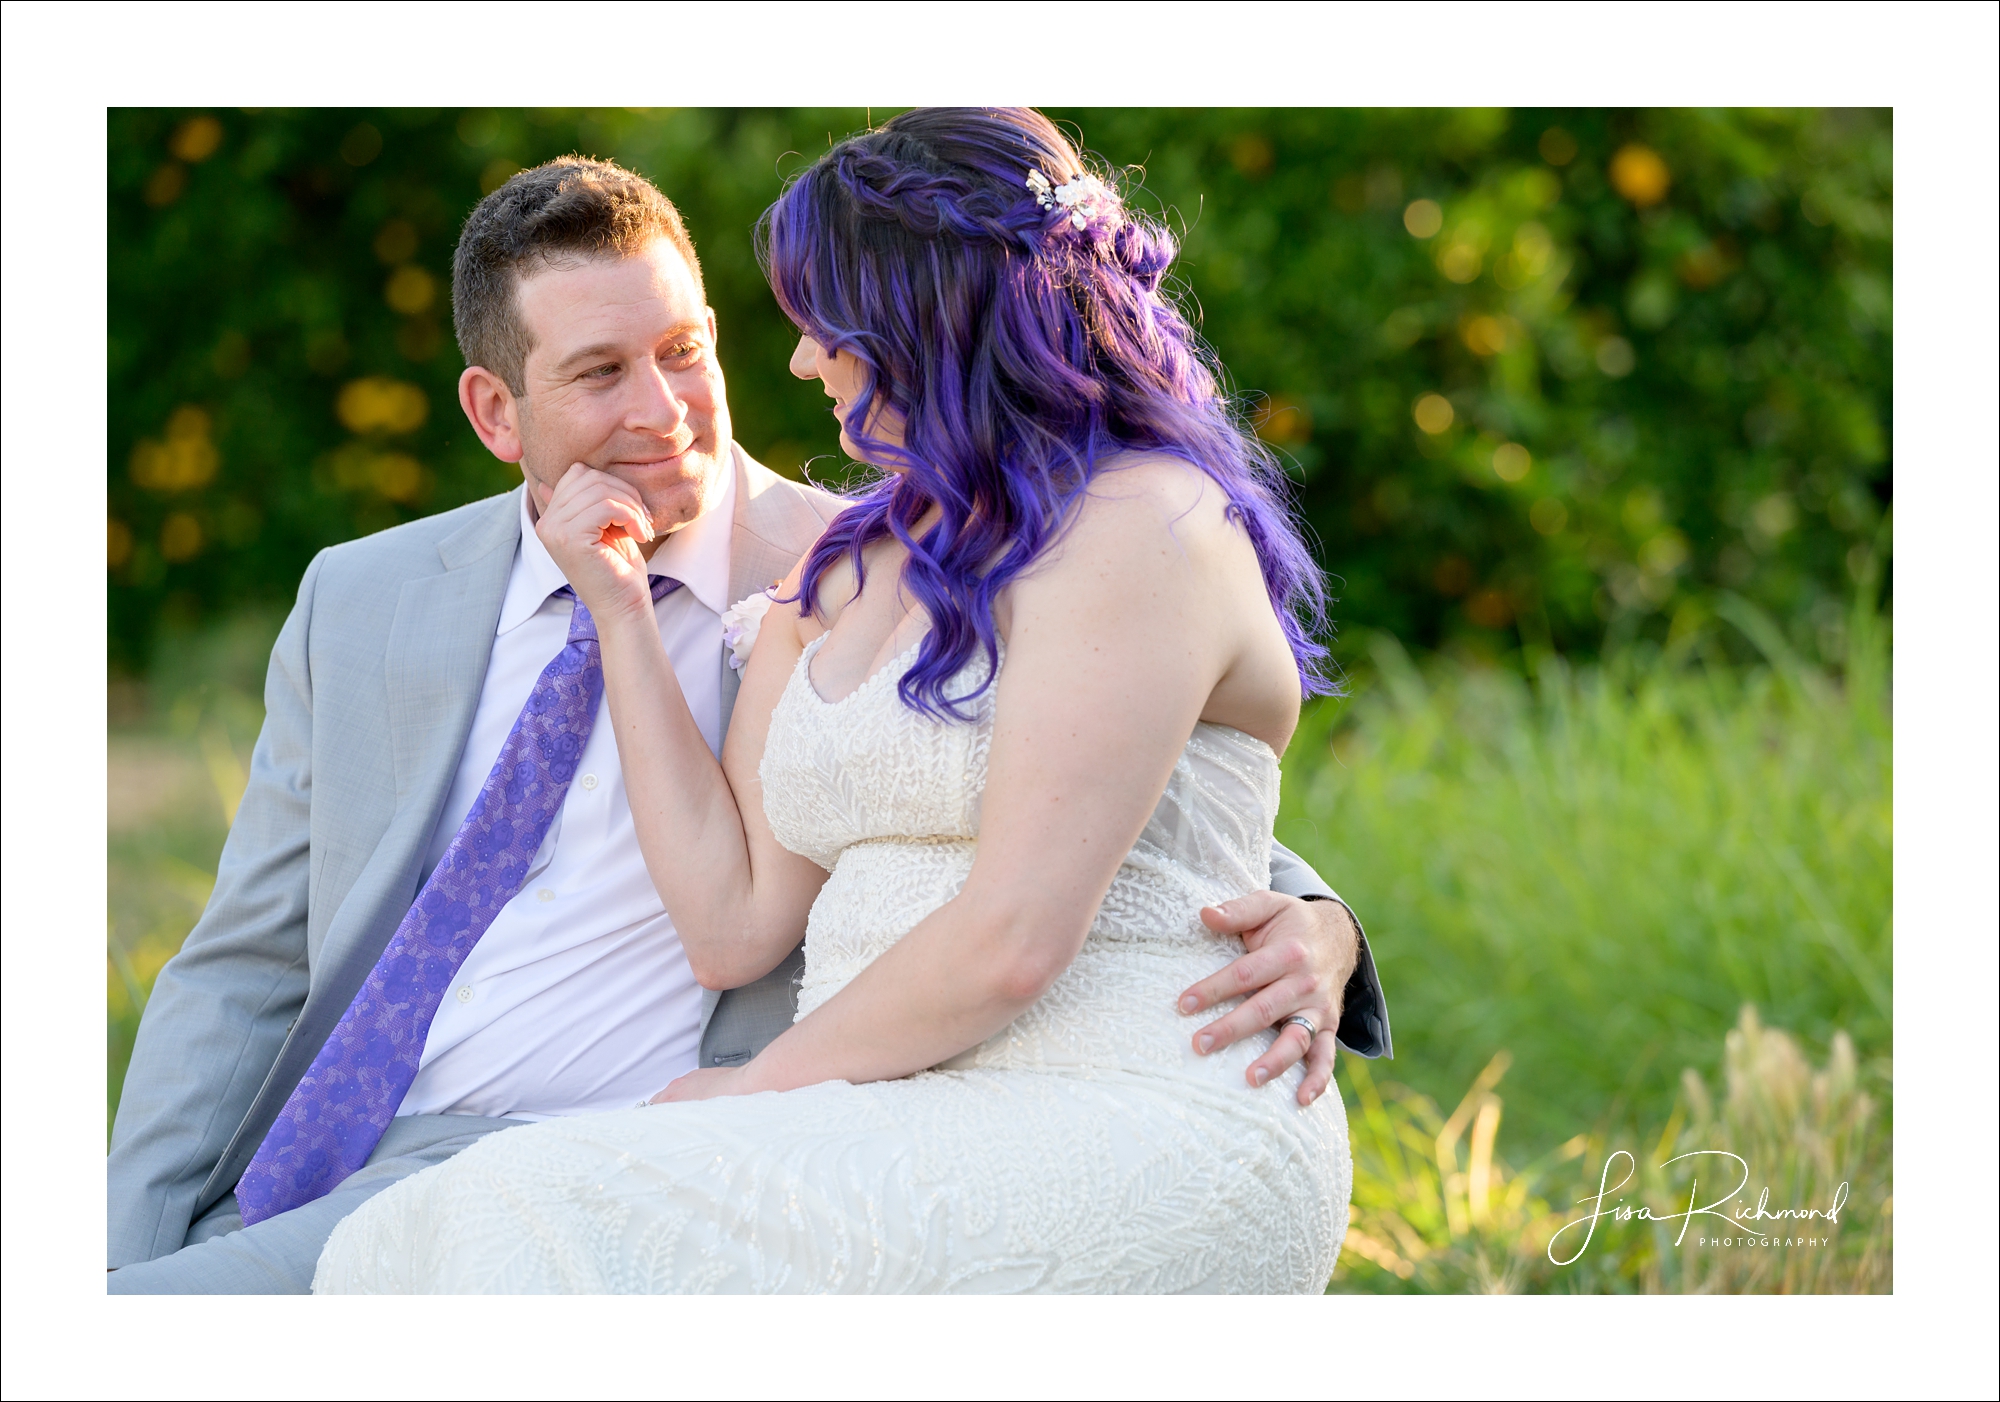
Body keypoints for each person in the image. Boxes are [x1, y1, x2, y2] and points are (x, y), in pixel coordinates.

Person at [108, 146, 1389, 1294]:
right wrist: (123, 1237)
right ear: (496, 412)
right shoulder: (367, 596)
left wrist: (1325, 918)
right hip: (376, 1142)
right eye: (600, 372)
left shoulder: (872, 546)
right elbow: (245, 961)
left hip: (698, 1124)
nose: (665, 410)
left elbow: (1132, 815)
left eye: (682, 352)